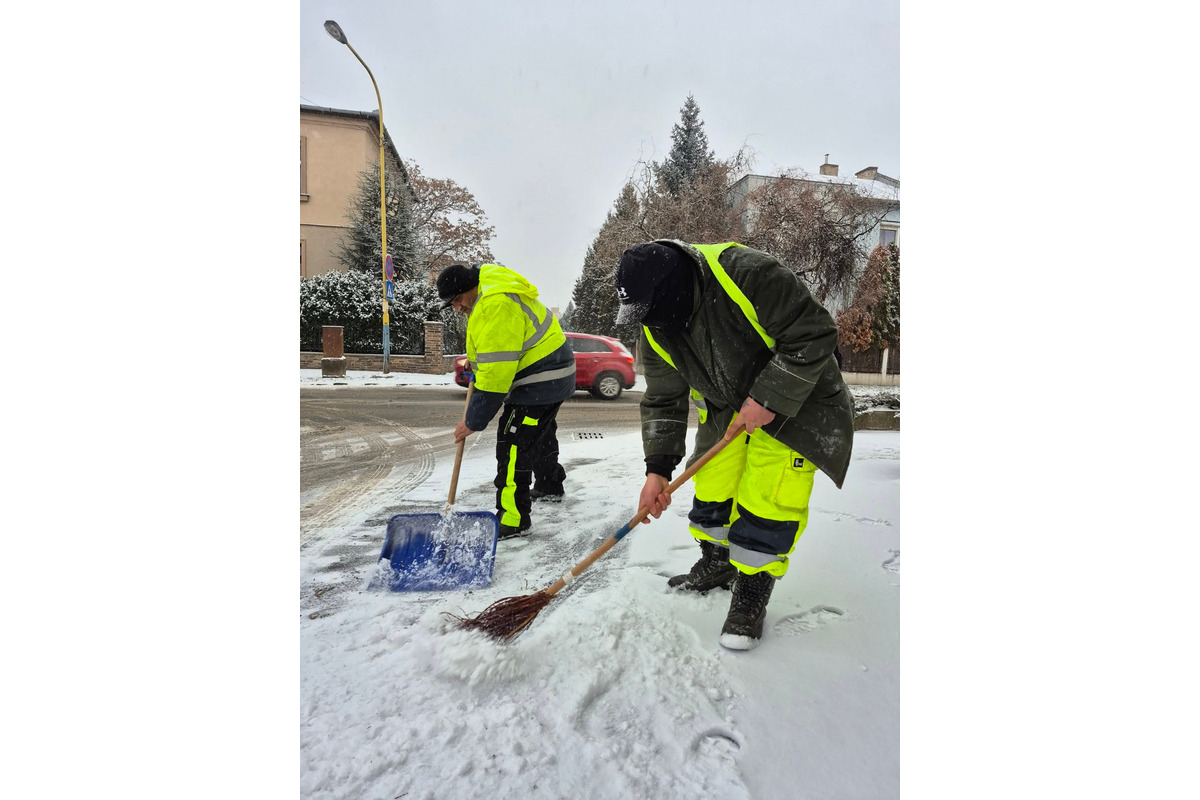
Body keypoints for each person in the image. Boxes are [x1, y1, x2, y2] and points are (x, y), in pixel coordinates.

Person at [614, 240, 854, 651]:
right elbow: (663, 399)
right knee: (711, 488)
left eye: (651, 311)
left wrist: (768, 398)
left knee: (768, 499)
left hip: (798, 404)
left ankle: (751, 592)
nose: (648, 323)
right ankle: (718, 563)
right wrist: (657, 470)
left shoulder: (747, 273)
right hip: (727, 407)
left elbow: (814, 335)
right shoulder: (654, 329)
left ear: (674, 287)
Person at [437, 261, 576, 539]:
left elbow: (496, 376)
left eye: (458, 299)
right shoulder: (492, 291)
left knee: (514, 443)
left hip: (539, 378)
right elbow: (497, 352)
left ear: (471, 288)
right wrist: (476, 364)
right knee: (540, 432)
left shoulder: (494, 303)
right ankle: (549, 484)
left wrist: (472, 421)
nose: (457, 307)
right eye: (452, 303)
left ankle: (513, 518)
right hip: (554, 375)